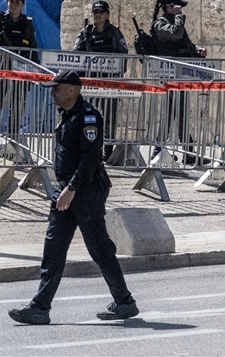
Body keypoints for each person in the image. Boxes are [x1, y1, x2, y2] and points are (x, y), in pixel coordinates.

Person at [8, 71, 139, 324]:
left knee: (99, 249)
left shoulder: (88, 116)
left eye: (56, 88)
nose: (52, 93)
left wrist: (71, 188)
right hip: (66, 189)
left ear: (72, 90)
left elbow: (90, 159)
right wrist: (65, 189)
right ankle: (40, 307)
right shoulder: (67, 115)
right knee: (53, 249)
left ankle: (124, 301)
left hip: (86, 190)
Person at [150, 0, 206, 165]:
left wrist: (197, 51)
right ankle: (159, 150)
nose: (179, 9)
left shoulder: (174, 22)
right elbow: (176, 33)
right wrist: (179, 15)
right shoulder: (160, 24)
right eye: (175, 6)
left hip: (181, 74)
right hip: (170, 74)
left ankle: (186, 152)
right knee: (171, 112)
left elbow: (184, 42)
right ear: (168, 7)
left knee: (180, 112)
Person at [0, 0, 38, 142]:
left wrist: (35, 70)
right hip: (2, 69)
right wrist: (2, 53)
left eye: (17, 1)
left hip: (20, 70)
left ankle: (13, 138)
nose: (13, 4)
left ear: (22, 4)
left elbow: (33, 48)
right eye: (11, 1)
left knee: (17, 104)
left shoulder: (27, 23)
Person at [73, 0, 128, 161]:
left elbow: (123, 53)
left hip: (109, 82)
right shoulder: (85, 33)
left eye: (101, 12)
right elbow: (76, 54)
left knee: (109, 116)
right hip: (91, 82)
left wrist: (118, 72)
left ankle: (107, 149)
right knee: (89, 115)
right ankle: (89, 146)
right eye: (95, 12)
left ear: (107, 15)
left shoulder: (114, 33)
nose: (97, 15)